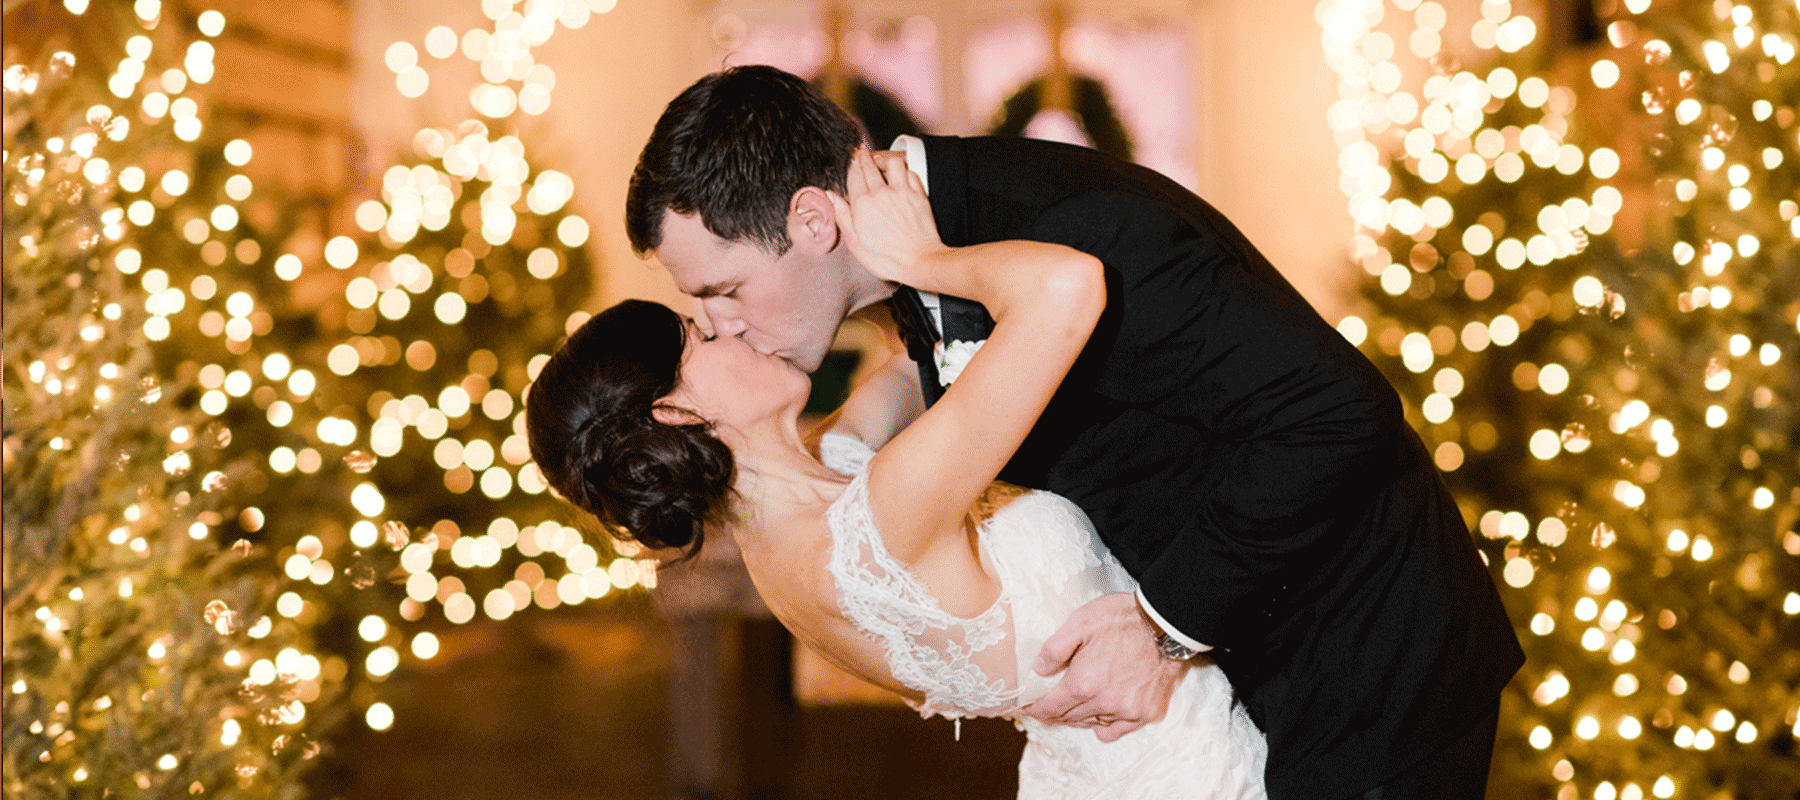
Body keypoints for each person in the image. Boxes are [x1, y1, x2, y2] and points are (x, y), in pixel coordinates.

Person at [620, 65, 1524, 800]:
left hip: (1359, 660)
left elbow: (1335, 415)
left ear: (814, 221)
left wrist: (1162, 627)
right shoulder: (927, 270)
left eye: (723, 292)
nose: (726, 324)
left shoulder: (1060, 231)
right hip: (1239, 684)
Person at [529, 151, 1269, 796]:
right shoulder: (876, 518)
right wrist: (922, 261)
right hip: (1197, 771)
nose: (729, 323)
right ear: (678, 415)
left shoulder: (819, 487)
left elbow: (912, 366)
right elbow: (1064, 290)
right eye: (698, 333)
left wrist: (858, 227)